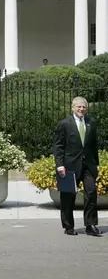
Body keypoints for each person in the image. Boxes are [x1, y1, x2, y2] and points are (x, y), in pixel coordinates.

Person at [53, 96, 102, 237]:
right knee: (68, 196)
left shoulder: (91, 122)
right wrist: (60, 165)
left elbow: (94, 146)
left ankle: (90, 225)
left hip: (89, 166)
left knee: (91, 192)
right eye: (79, 107)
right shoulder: (64, 124)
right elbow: (58, 146)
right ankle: (68, 226)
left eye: (84, 107)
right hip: (69, 166)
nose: (81, 109)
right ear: (73, 108)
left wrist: (96, 165)